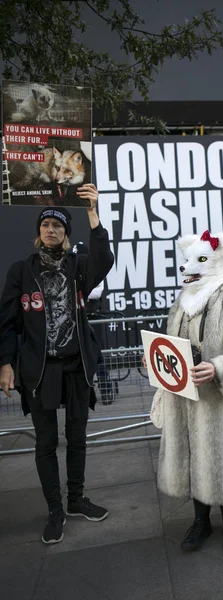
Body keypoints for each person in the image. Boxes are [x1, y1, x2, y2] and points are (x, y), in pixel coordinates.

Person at [0, 184, 115, 545]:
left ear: (66, 236)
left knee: (77, 437)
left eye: (59, 226)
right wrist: (5, 363)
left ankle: (76, 499)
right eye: (46, 224)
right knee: (46, 442)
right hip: (39, 369)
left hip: (75, 365)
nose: (52, 229)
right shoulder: (21, 271)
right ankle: (55, 510)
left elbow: (105, 260)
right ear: (39, 232)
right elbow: (7, 323)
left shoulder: (78, 267)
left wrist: (93, 213)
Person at [146, 230, 223, 554]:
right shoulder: (184, 302)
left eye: (200, 260)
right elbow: (174, 346)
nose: (189, 268)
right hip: (187, 400)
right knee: (196, 457)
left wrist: (219, 367)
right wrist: (158, 357)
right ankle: (201, 521)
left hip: (222, 403)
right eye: (189, 260)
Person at [72, 242, 115, 405]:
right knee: (77, 357)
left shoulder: (94, 270)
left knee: (98, 357)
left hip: (93, 317)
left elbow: (97, 292)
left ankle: (106, 391)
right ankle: (81, 394)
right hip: (77, 318)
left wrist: (82, 292)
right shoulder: (71, 270)